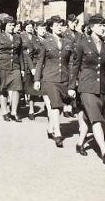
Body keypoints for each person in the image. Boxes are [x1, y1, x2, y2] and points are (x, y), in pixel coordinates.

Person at [68, 14, 105, 165]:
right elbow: (75, 65)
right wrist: (72, 86)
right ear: (91, 27)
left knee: (87, 117)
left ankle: (79, 143)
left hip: (102, 86)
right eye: (99, 25)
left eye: (104, 25)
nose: (103, 28)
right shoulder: (82, 43)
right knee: (96, 118)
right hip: (86, 87)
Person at [34, 16, 72, 147]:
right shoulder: (45, 42)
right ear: (51, 27)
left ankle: (50, 129)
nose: (59, 27)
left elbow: (71, 62)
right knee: (55, 105)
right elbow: (40, 62)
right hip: (50, 78)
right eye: (56, 25)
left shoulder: (68, 42)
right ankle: (58, 133)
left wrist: (73, 79)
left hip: (64, 78)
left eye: (61, 25)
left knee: (60, 106)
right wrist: (37, 79)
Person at [0, 16, 24, 121]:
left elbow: (20, 54)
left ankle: (14, 112)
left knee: (17, 89)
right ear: (4, 26)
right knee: (3, 89)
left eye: (13, 25)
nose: (11, 27)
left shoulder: (18, 37)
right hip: (2, 66)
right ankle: (5, 111)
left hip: (15, 66)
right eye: (9, 25)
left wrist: (22, 68)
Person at [21, 20, 41, 120]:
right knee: (21, 87)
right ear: (24, 27)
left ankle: (31, 110)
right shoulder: (21, 37)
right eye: (28, 26)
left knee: (31, 88)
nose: (30, 28)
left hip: (33, 64)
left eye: (31, 27)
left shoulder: (36, 38)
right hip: (23, 64)